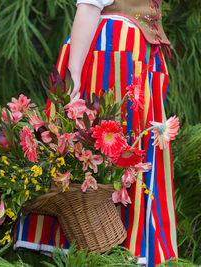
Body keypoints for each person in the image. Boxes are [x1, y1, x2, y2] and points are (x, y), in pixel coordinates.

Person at [14, 1, 178, 266]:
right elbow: (90, 5)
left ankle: (119, 247)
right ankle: (99, 246)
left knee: (127, 151)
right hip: (110, 54)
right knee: (105, 149)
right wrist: (74, 74)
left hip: (132, 52)